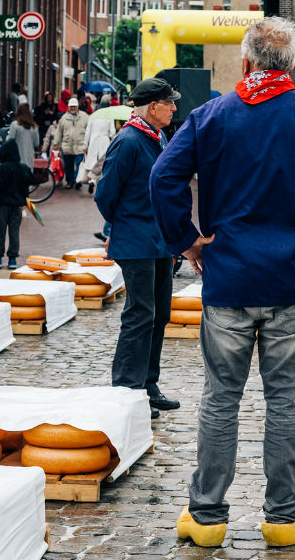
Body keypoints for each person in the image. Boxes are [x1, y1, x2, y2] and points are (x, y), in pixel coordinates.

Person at [151, 17, 295, 548]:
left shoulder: (212, 115)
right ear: (292, 65)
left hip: (228, 276)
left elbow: (163, 177)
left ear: (246, 63)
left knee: (219, 398)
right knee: (284, 398)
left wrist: (186, 241)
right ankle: (283, 517)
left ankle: (206, 517)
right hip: (291, 278)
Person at [95, 77, 184, 421]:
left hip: (159, 240)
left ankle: (148, 384)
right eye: (170, 102)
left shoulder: (156, 136)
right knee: (139, 314)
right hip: (137, 241)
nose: (174, 108)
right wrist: (123, 225)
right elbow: (105, 194)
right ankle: (127, 388)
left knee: (159, 313)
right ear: (152, 107)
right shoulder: (129, 140)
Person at [0, 142, 36, 270]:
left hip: (3, 205)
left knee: (0, 232)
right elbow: (33, 180)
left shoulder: (3, 168)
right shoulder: (23, 168)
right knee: (14, 232)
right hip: (17, 206)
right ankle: (12, 260)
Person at [78, 105, 116, 194]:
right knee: (102, 163)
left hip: (93, 141)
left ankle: (91, 181)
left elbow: (87, 133)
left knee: (93, 162)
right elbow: (112, 132)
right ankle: (97, 182)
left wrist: (85, 145)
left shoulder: (93, 117)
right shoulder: (109, 117)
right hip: (104, 141)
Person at [54, 97, 89, 188]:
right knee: (68, 166)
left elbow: (88, 130)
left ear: (77, 106)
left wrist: (88, 143)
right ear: (68, 107)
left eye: (74, 106)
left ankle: (77, 180)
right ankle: (70, 182)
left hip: (80, 145)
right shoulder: (64, 118)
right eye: (71, 106)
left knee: (79, 164)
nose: (73, 108)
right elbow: (59, 132)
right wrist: (56, 143)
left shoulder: (84, 116)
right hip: (67, 146)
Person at [7, 101, 40, 171]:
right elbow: (36, 143)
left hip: (16, 158)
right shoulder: (34, 126)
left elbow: (10, 141)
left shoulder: (14, 125)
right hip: (29, 159)